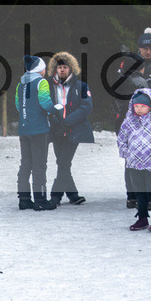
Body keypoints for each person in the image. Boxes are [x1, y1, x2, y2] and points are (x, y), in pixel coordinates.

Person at [118, 89, 151, 232]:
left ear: (150, 106)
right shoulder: (128, 123)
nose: (139, 109)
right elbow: (122, 139)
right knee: (139, 193)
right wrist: (126, 153)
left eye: (143, 106)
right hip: (134, 164)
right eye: (137, 106)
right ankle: (142, 218)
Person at [46, 52, 94, 205]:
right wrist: (55, 120)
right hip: (56, 130)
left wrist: (67, 121)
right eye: (59, 67)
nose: (62, 70)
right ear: (54, 69)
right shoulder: (47, 86)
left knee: (64, 162)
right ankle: (73, 195)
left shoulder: (81, 86)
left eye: (65, 67)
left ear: (71, 69)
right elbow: (45, 105)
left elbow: (86, 107)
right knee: (62, 162)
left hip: (74, 130)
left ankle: (55, 196)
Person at [15, 55, 59, 210]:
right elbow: (45, 102)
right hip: (39, 130)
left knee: (26, 163)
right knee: (39, 164)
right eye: (44, 67)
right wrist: (55, 110)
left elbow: (18, 106)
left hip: (24, 129)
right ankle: (40, 200)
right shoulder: (41, 82)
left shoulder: (20, 84)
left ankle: (24, 199)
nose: (45, 70)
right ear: (40, 70)